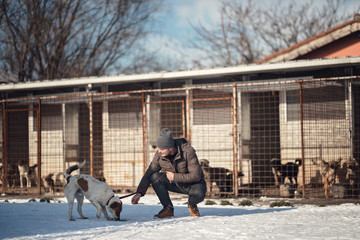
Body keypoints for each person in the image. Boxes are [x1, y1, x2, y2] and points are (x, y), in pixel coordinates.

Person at [131, 128, 207, 218]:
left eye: (162, 149)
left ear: (170, 147)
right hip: (176, 184)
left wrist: (175, 177)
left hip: (193, 185)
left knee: (198, 194)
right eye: (158, 148)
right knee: (154, 177)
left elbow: (196, 176)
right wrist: (140, 192)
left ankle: (192, 204)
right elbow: (149, 172)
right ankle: (168, 209)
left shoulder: (188, 152)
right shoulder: (159, 155)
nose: (159, 151)